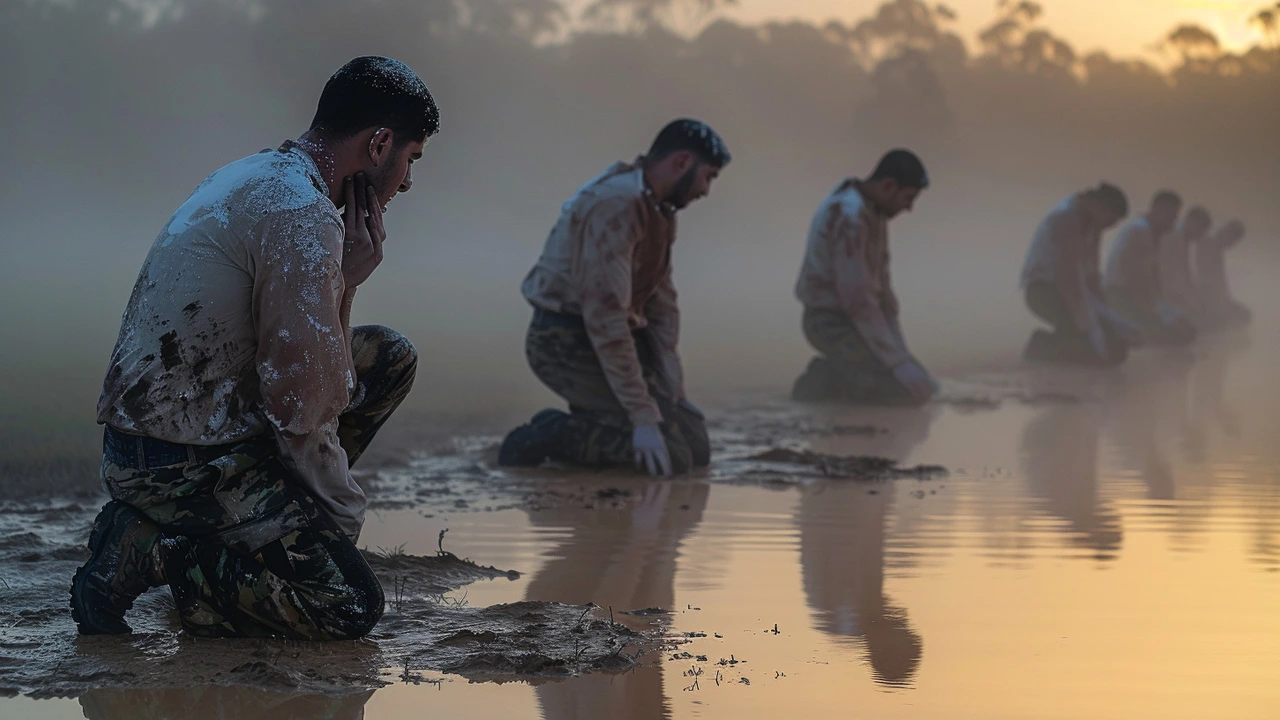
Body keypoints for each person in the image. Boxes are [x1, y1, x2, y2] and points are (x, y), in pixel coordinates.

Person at [71, 57, 440, 639]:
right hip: (179, 464)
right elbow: (300, 408)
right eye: (411, 160)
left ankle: (233, 527)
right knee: (346, 605)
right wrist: (338, 514)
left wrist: (343, 283)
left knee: (387, 358)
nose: (409, 181)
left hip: (161, 437)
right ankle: (153, 550)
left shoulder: (256, 175)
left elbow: (302, 369)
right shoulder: (301, 213)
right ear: (380, 143)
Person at [498, 119, 731, 477]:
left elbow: (662, 308)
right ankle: (550, 434)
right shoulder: (616, 205)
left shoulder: (659, 209)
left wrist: (675, 394)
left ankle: (599, 416)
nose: (706, 190)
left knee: (694, 445)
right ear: (683, 162)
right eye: (709, 176)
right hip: (564, 340)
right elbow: (605, 318)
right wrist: (642, 417)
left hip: (612, 337)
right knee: (672, 456)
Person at [792, 149, 937, 405]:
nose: (909, 208)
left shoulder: (874, 213)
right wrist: (895, 362)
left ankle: (844, 372)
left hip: (857, 319)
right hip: (829, 321)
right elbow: (858, 298)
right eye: (908, 198)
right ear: (888, 186)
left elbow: (883, 292)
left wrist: (904, 357)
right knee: (893, 394)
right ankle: (819, 382)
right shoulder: (850, 216)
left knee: (910, 386)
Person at [1021, 183, 1139, 366]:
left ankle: (1069, 342)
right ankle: (1041, 346)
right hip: (1044, 291)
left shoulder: (1092, 223)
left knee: (1116, 344)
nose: (1111, 226)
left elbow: (1092, 277)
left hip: (1070, 291)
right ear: (1100, 206)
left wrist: (1112, 320)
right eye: (1111, 220)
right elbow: (1069, 280)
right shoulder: (1068, 219)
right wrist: (1091, 328)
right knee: (1101, 351)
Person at [1103, 190, 1197, 345]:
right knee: (1180, 336)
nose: (1173, 222)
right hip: (1121, 297)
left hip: (1135, 298)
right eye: (1171, 217)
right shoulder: (1139, 231)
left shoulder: (1151, 233)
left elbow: (1152, 280)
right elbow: (1139, 284)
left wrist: (1168, 311)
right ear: (1157, 210)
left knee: (1186, 330)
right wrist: (1162, 316)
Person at [1159, 205, 1213, 330]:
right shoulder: (1172, 238)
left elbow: (1186, 276)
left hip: (1177, 297)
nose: (1200, 236)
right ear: (1190, 222)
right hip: (1166, 298)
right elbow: (1166, 274)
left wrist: (1196, 300)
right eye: (1200, 230)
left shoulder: (1184, 241)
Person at [1195, 219, 1252, 330]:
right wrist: (1221, 300)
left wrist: (1225, 299)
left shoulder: (1215, 248)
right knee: (1241, 316)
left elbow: (1219, 280)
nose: (1232, 244)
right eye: (1233, 239)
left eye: (1235, 241)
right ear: (1226, 231)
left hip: (1213, 296)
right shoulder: (1208, 244)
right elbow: (1205, 276)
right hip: (1204, 295)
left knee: (1243, 314)